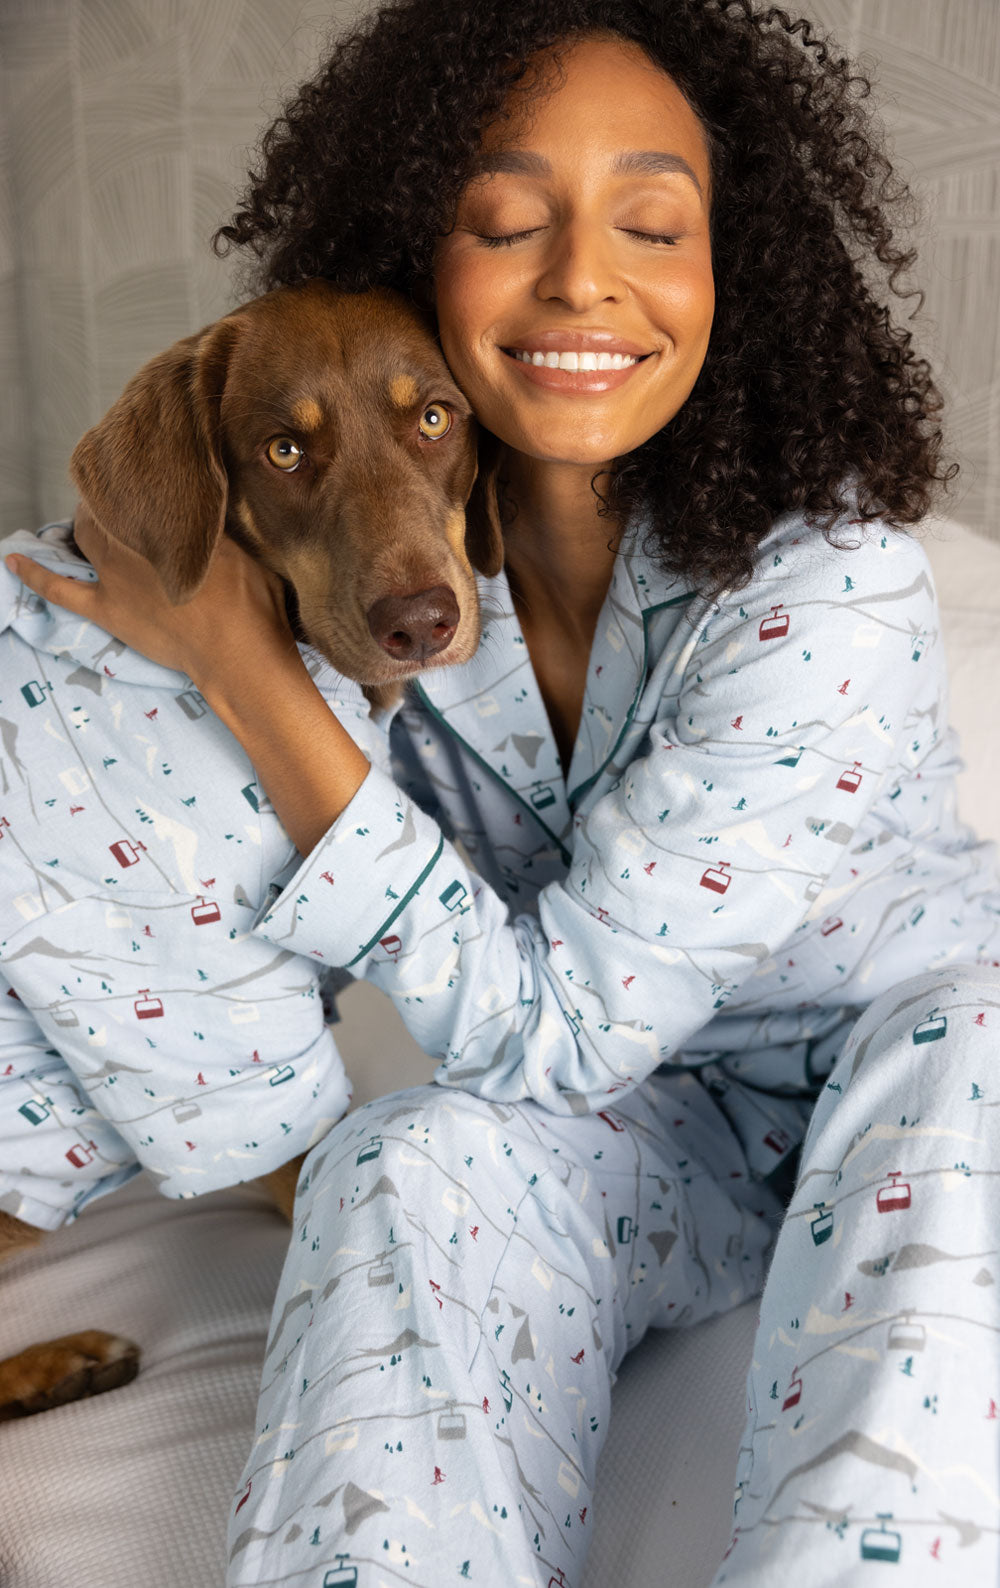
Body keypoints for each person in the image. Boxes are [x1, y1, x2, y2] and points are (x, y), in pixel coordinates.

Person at [8, 2, 1000, 1584]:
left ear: (728, 277)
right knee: (397, 1162)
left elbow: (562, 1022)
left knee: (986, 1063)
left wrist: (245, 680)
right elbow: (140, 876)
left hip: (900, 1052)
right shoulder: (357, 595)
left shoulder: (837, 587)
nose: (583, 275)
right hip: (648, 1128)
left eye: (652, 223)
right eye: (507, 219)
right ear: (421, 262)